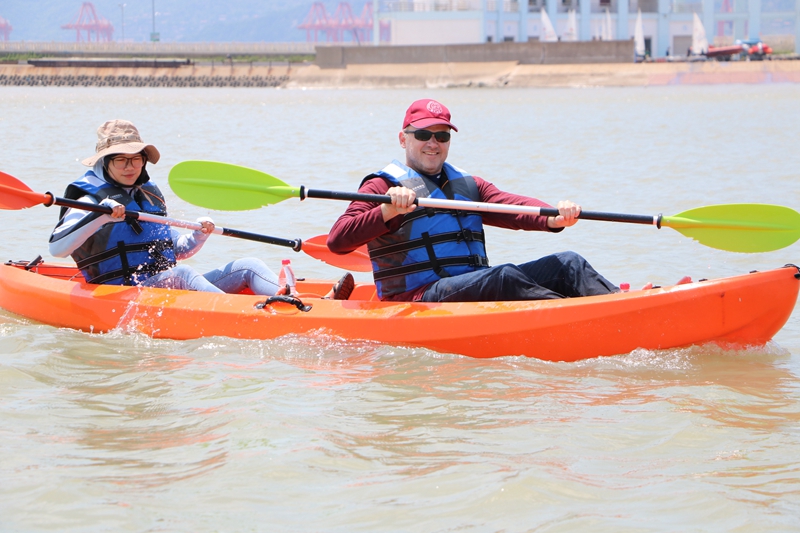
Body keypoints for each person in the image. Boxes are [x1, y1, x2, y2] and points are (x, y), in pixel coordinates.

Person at [326, 98, 623, 303]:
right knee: (504, 276)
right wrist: (386, 210)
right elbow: (337, 241)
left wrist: (552, 217)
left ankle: (620, 306)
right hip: (418, 298)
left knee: (567, 263)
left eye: (442, 136)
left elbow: (510, 205)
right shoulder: (381, 185)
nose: (433, 143)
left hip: (474, 286)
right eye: (423, 134)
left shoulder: (467, 185)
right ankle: (577, 316)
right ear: (404, 139)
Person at [49, 119, 282, 296]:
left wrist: (198, 235)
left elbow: (177, 250)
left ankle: (292, 302)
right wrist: (101, 216)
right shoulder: (90, 202)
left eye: (136, 158)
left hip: (161, 288)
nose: (130, 167)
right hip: (119, 294)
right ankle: (245, 316)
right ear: (104, 161)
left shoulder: (147, 196)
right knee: (183, 274)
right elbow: (57, 248)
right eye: (121, 159)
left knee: (248, 265)